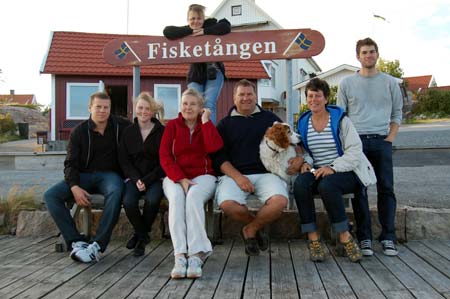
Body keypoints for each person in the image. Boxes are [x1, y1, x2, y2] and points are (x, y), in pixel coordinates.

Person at [213, 79, 302, 256]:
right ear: (234, 97)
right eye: (241, 94)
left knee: (280, 201)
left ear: (256, 96)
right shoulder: (224, 124)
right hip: (234, 175)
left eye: (249, 94)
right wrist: (239, 177)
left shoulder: (270, 119)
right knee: (227, 204)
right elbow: (219, 158)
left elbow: (291, 139)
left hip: (266, 173)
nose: (246, 98)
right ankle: (257, 226)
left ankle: (251, 230)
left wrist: (299, 158)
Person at [295, 78, 376, 263]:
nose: (313, 99)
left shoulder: (341, 120)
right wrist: (305, 163)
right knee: (300, 183)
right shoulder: (304, 121)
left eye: (318, 96)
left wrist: (333, 167)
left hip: (346, 170)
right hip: (318, 170)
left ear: (326, 99)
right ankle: (313, 238)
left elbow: (355, 151)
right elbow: (305, 150)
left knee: (328, 185)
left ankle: (345, 236)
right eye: (310, 96)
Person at [44, 91, 130, 263]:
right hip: (83, 176)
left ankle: (98, 245)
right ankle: (76, 241)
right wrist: (74, 186)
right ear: (90, 108)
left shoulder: (120, 126)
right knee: (51, 195)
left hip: (109, 176)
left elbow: (144, 125)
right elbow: (70, 164)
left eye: (106, 107)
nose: (102, 111)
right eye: (98, 107)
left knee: (116, 191)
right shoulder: (79, 132)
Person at [337, 37, 403, 256]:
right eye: (364, 52)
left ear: (377, 54)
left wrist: (390, 138)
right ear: (358, 56)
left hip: (382, 140)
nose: (368, 55)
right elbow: (341, 116)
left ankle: (388, 237)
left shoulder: (390, 83)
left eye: (372, 52)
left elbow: (397, 113)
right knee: (359, 190)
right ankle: (364, 237)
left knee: (386, 189)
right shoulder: (346, 83)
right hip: (357, 144)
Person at [159, 88, 224, 279]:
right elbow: (164, 156)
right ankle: (180, 255)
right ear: (180, 106)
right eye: (185, 103)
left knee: (194, 197)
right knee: (177, 199)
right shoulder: (172, 126)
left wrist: (205, 123)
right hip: (175, 177)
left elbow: (214, 147)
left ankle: (196, 254)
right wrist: (180, 178)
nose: (188, 107)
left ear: (201, 107)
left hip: (203, 175)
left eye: (193, 104)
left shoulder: (206, 124)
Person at [163, 4, 231, 124]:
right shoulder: (186, 30)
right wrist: (190, 31)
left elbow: (226, 26)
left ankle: (209, 136)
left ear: (203, 18)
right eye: (192, 18)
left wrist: (204, 31)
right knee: (194, 104)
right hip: (195, 74)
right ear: (188, 20)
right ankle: (195, 135)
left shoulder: (210, 24)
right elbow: (167, 31)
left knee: (209, 103)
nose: (196, 21)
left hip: (214, 71)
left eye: (199, 18)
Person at [119, 92, 165, 257]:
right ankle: (143, 235)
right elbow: (124, 161)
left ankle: (139, 236)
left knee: (152, 201)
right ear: (135, 109)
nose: (143, 111)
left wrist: (147, 180)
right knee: (128, 202)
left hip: (155, 178)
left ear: (152, 111)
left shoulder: (162, 131)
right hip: (134, 178)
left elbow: (164, 162)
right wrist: (137, 179)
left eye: (147, 108)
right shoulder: (128, 132)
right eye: (140, 108)